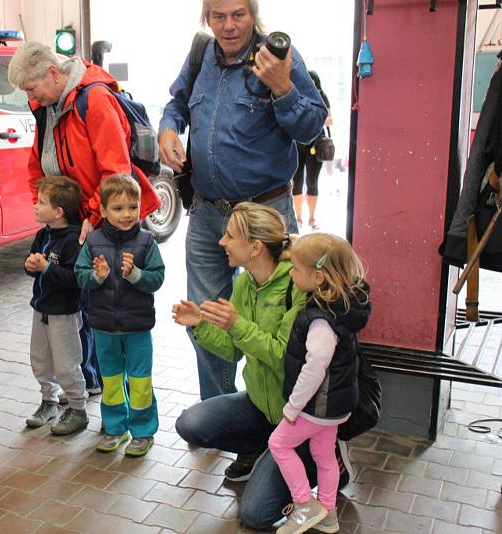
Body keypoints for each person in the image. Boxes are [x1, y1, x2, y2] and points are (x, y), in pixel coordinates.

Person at [158, 0, 328, 400]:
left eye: (239, 15)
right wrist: (168, 129)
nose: (229, 26)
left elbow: (311, 127)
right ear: (207, 18)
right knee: (204, 318)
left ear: (253, 15)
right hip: (207, 215)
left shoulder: (277, 56)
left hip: (266, 216)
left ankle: (272, 414)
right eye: (219, 16)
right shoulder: (200, 54)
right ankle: (220, 412)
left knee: (277, 319)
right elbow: (177, 105)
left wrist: (283, 87)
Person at [172, 203, 351, 530]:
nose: (221, 242)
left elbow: (284, 356)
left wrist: (237, 325)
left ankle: (323, 459)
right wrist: (199, 325)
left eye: (229, 236)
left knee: (256, 515)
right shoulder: (243, 283)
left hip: (301, 415)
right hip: (261, 404)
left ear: (255, 247)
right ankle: (261, 449)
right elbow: (232, 351)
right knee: (191, 424)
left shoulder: (297, 285)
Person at [8, 40, 162, 396]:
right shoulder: (47, 106)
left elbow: (115, 171)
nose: (31, 97)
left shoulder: (94, 101)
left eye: (32, 88)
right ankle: (91, 380)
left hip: (101, 218)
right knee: (80, 299)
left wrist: (93, 215)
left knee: (102, 304)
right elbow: (38, 163)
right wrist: (45, 204)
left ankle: (111, 386)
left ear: (51, 72)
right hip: (73, 217)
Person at [269, 233, 370, 534]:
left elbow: (315, 368)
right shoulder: (344, 308)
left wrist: (293, 406)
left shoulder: (320, 320)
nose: (291, 273)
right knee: (324, 456)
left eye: (296, 269)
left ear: (317, 276)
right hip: (335, 407)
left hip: (316, 407)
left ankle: (304, 505)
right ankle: (328, 513)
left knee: (278, 444)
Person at [75, 174, 165, 457]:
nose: (126, 214)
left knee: (140, 382)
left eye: (132, 207)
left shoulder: (147, 241)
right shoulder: (93, 241)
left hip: (138, 327)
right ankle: (114, 428)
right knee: (111, 382)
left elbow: (158, 277)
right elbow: (80, 276)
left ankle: (143, 432)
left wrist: (136, 274)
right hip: (103, 327)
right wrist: (96, 276)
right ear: (102, 210)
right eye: (117, 208)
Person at [24, 176, 89, 435]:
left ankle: (77, 408)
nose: (35, 206)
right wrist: (31, 267)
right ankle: (48, 401)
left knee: (66, 363)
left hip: (64, 314)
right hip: (41, 310)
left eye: (41, 202)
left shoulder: (74, 241)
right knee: (39, 359)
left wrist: (47, 268)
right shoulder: (43, 235)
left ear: (58, 211)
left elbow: (76, 280)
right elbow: (33, 266)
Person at [292, 71, 332, 230]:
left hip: (316, 144)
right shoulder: (296, 95)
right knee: (297, 182)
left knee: (312, 182)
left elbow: (330, 119)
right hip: (297, 144)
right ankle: (299, 218)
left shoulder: (322, 96)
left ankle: (312, 218)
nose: (311, 83)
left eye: (313, 80)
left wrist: (315, 119)